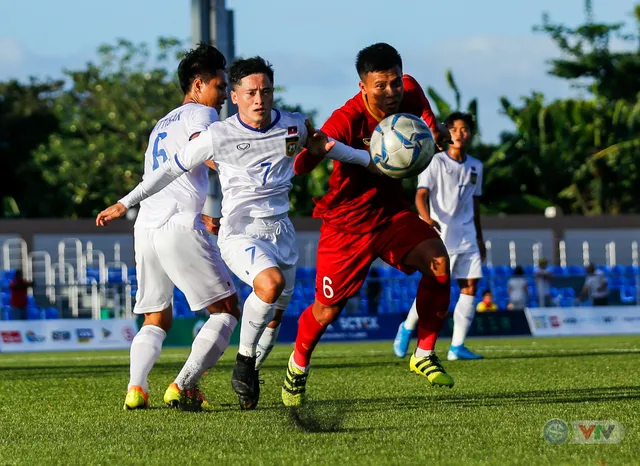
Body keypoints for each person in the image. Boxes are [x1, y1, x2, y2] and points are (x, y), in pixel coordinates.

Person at [96, 56, 375, 410]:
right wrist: (125, 201)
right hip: (221, 228)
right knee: (238, 303)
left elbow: (321, 146)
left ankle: (148, 386)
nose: (256, 99)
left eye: (266, 91)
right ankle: (204, 378)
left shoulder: (290, 125)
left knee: (263, 311)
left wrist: (370, 161)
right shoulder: (211, 125)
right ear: (229, 93)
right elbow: (176, 165)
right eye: (237, 89)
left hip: (173, 226)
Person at [282, 43, 454, 408]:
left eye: (394, 84)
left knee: (439, 262)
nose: (391, 93)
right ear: (363, 86)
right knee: (327, 311)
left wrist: (433, 128)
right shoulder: (345, 119)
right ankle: (297, 365)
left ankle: (423, 353)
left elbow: (422, 109)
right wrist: (311, 150)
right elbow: (300, 168)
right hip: (347, 226)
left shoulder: (409, 88)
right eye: (381, 86)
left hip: (391, 215)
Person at [97, 43, 241, 411]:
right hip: (178, 224)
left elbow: (168, 174)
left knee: (156, 315)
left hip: (146, 225)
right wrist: (245, 164)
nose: (224, 95)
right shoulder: (201, 114)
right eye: (220, 86)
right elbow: (202, 149)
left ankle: (136, 388)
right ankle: (183, 385)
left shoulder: (163, 123)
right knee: (226, 310)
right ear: (197, 85)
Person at [393, 112, 485, 361]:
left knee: (470, 287)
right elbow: (421, 194)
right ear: (447, 133)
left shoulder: (476, 166)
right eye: (454, 129)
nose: (459, 134)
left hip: (467, 235)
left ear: (470, 134)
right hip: (442, 235)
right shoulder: (434, 161)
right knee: (434, 288)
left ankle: (457, 346)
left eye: (464, 129)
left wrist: (479, 236)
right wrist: (426, 219)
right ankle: (407, 327)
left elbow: (475, 204)